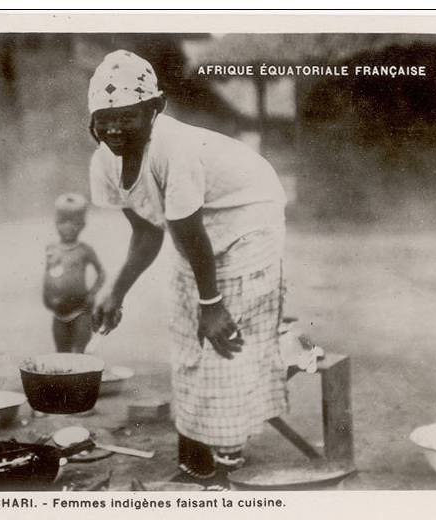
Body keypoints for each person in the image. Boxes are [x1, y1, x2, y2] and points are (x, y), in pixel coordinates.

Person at [87, 50, 288, 480]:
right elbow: (148, 232)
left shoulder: (175, 150)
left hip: (247, 219)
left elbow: (190, 232)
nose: (115, 128)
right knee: (186, 331)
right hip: (195, 225)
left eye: (128, 116)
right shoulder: (105, 158)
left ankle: (225, 449)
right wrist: (115, 291)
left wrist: (212, 303)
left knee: (221, 333)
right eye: (105, 118)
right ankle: (198, 445)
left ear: (154, 109)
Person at [42, 193, 106, 353]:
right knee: (61, 353)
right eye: (63, 222)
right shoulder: (51, 249)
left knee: (79, 353)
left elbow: (101, 273)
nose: (68, 227)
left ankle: (82, 377)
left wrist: (92, 294)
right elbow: (49, 273)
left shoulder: (84, 250)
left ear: (82, 224)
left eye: (75, 223)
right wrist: (46, 295)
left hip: (81, 310)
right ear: (56, 223)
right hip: (58, 312)